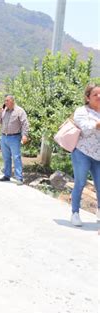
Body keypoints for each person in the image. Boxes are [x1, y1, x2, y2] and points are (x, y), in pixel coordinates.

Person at [69, 83, 100, 227]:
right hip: (82, 152)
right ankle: (75, 213)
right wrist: (97, 125)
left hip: (98, 155)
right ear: (88, 98)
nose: (99, 97)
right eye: (95, 94)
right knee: (80, 182)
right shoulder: (81, 111)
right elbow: (86, 129)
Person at [0, 95, 29, 185]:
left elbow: (25, 124)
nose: (5, 102)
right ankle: (7, 175)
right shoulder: (4, 111)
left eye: (7, 101)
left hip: (14, 137)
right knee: (6, 157)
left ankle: (19, 178)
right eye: (5, 101)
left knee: (16, 157)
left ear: (12, 101)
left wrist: (25, 135)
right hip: (4, 137)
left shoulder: (19, 111)